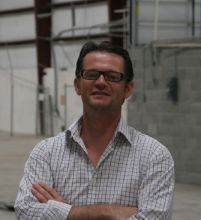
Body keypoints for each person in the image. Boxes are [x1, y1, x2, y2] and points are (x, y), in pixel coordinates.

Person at [15, 41, 174, 219]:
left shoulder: (154, 156)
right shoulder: (46, 153)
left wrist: (64, 212)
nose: (100, 82)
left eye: (112, 76)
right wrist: (108, 212)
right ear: (77, 85)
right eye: (91, 75)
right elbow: (25, 212)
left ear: (128, 89)